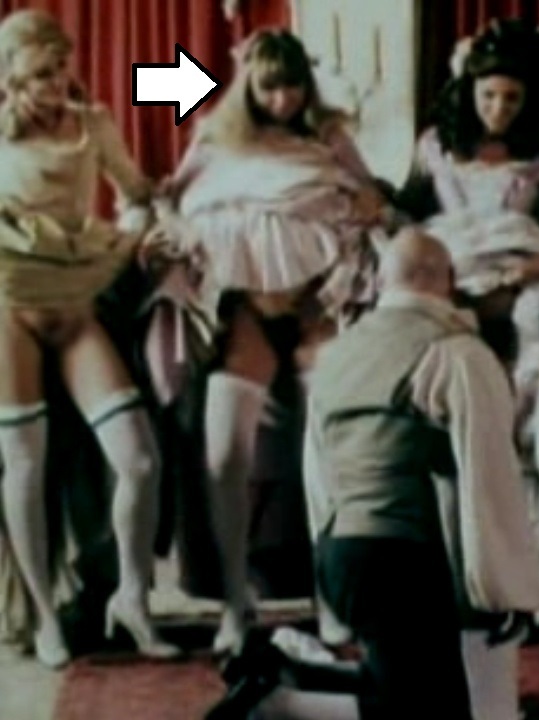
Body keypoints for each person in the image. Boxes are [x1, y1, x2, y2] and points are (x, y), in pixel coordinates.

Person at [210, 227, 539, 720]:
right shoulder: (458, 352)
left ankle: (286, 688)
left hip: (343, 553)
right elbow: (489, 477)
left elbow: (318, 474)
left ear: (382, 281)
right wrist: (504, 588)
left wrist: (328, 584)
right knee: (420, 709)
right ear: (448, 279)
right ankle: (280, 702)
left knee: (413, 697)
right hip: (406, 559)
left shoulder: (336, 355)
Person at [143, 28, 391, 655]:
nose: (283, 100)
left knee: (330, 445)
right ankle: (235, 600)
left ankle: (331, 598)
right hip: (243, 302)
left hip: (317, 297)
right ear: (250, 85)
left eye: (293, 87)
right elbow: (173, 200)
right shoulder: (215, 133)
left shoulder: (328, 136)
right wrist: (170, 233)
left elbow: (373, 199)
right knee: (225, 451)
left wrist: (367, 206)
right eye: (271, 88)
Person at [0, 9, 177, 667]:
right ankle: (45, 616)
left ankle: (133, 599)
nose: (55, 83)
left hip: (76, 305)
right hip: (10, 307)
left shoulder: (94, 123)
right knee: (25, 463)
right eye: (40, 74)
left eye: (60, 68)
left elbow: (135, 193)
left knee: (139, 459)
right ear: (11, 77)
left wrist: (138, 234)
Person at [398, 19, 539, 424]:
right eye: (488, 95)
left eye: (512, 98)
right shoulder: (436, 145)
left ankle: (523, 421)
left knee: (534, 317)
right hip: (453, 258)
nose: (498, 109)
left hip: (515, 259)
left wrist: (528, 270)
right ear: (469, 90)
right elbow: (408, 208)